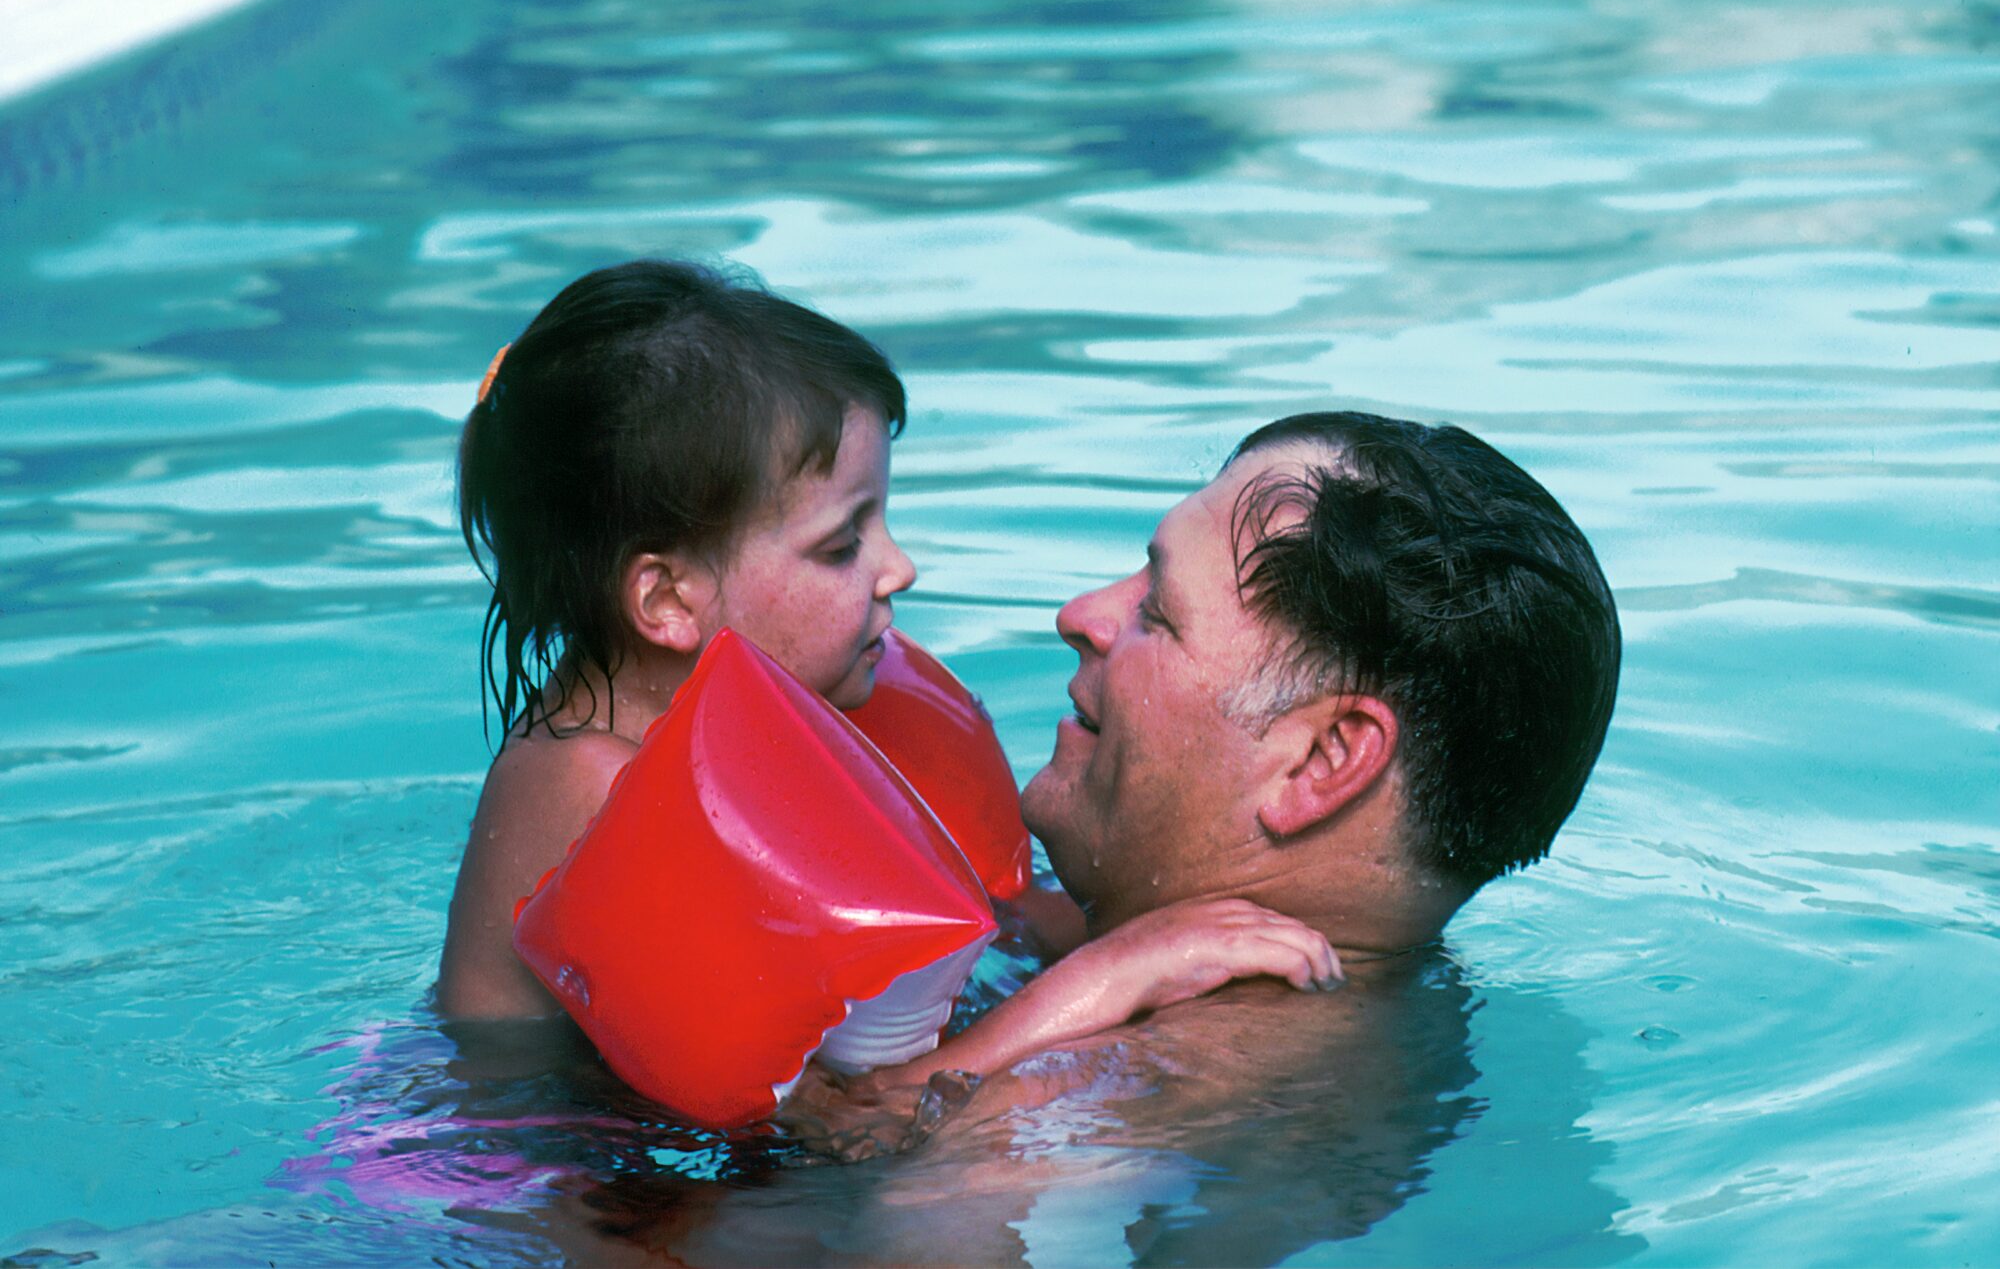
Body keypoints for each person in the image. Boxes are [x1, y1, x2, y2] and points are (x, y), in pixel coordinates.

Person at [530, 408, 1624, 1267]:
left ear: (1321, 761)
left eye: (1157, 611)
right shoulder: (1381, 1017)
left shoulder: (1113, 1100)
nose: (1079, 610)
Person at [434, 260, 1340, 1085]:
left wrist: (1203, 922)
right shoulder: (596, 786)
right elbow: (846, 1119)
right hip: (540, 1172)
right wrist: (1113, 973)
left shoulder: (780, 723)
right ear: (667, 599)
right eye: (842, 543)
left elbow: (990, 926)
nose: (898, 566)